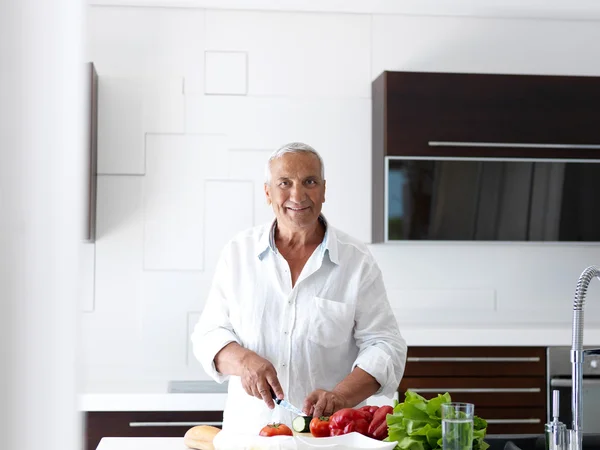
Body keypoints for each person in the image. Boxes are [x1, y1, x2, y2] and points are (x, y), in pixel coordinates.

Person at [191, 142, 407, 434]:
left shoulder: (357, 261)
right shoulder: (238, 253)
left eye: (310, 182)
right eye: (285, 183)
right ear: (268, 192)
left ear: (324, 190)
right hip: (252, 436)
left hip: (329, 438)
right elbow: (208, 334)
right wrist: (244, 362)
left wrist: (341, 395)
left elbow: (385, 345)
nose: (298, 195)